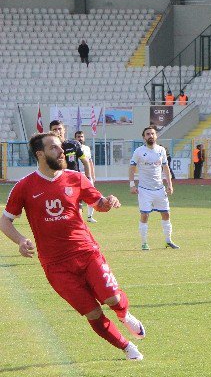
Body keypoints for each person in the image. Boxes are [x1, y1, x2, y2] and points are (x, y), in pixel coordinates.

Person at [2, 132, 145, 360]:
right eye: (53, 148)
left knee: (112, 299)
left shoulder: (76, 178)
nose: (61, 152)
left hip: (86, 252)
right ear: (40, 154)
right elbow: (5, 219)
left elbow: (98, 204)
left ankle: (125, 315)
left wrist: (108, 202)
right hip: (55, 265)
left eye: (60, 147)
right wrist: (20, 240)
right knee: (93, 312)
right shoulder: (24, 186)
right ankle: (127, 348)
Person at [129, 126, 177, 251]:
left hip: (160, 189)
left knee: (166, 214)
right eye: (148, 134)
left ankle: (168, 241)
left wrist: (170, 185)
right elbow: (132, 168)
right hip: (144, 190)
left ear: (156, 136)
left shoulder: (161, 150)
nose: (150, 135)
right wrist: (132, 184)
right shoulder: (138, 151)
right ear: (144, 137)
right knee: (145, 215)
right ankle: (144, 243)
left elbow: (166, 168)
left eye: (152, 133)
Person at [74, 130, 98, 223]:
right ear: (75, 138)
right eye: (78, 136)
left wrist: (92, 175)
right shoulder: (72, 147)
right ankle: (77, 216)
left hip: (87, 176)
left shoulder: (87, 148)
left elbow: (90, 162)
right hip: (76, 175)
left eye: (81, 136)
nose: (80, 138)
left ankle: (89, 216)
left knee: (91, 195)